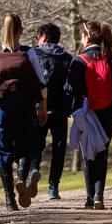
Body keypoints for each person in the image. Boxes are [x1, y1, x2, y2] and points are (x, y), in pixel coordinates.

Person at [0, 13, 47, 210]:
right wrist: (43, 107)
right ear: (21, 30)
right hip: (25, 110)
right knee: (25, 148)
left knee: (2, 153)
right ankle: (21, 177)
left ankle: (10, 200)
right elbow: (41, 84)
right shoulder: (29, 53)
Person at [65, 20, 112, 210]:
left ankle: (90, 198)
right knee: (103, 153)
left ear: (86, 37)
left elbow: (68, 89)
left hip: (87, 114)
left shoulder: (78, 61)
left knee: (88, 154)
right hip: (109, 113)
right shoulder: (111, 58)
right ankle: (100, 196)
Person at [29, 23, 73, 200]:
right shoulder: (67, 58)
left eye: (37, 37)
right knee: (59, 147)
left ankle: (34, 169)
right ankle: (53, 187)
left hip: (38, 108)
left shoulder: (33, 55)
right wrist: (69, 106)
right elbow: (70, 86)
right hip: (60, 110)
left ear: (44, 37)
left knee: (35, 143)